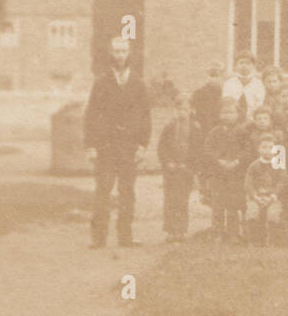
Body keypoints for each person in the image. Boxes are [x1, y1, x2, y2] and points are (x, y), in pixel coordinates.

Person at [83, 37, 151, 249]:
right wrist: (91, 145)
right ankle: (99, 237)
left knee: (127, 192)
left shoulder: (138, 83)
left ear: (129, 53)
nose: (120, 55)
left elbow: (145, 116)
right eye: (116, 51)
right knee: (103, 190)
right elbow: (91, 114)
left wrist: (142, 145)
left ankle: (125, 237)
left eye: (123, 51)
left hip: (129, 147)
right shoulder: (101, 82)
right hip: (106, 146)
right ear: (111, 53)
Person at [202, 97, 249, 242]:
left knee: (233, 204)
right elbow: (208, 149)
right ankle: (217, 232)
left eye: (230, 112)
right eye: (224, 113)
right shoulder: (214, 132)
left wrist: (237, 161)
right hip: (218, 173)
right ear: (219, 114)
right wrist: (219, 160)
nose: (227, 116)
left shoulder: (242, 131)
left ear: (237, 114)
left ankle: (233, 233)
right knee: (218, 204)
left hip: (236, 173)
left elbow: (247, 150)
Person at [156, 92, 198, 244]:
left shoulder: (194, 128)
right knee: (170, 199)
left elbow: (196, 149)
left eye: (185, 109)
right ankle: (170, 231)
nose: (182, 112)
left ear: (191, 110)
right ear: (175, 110)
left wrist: (189, 165)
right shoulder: (169, 128)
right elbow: (162, 148)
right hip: (171, 170)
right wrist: (168, 162)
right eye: (179, 109)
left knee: (182, 200)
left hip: (186, 169)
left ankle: (180, 230)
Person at [244, 134, 288, 246]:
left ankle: (272, 240)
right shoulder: (253, 165)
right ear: (259, 149)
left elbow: (282, 182)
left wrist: (273, 196)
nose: (267, 150)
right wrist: (255, 196)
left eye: (270, 147)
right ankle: (254, 240)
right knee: (252, 212)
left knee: (273, 214)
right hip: (257, 197)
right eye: (264, 147)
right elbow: (248, 183)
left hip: (273, 198)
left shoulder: (279, 165)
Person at [222, 53, 266, 118]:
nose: (244, 66)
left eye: (248, 63)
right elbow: (226, 103)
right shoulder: (229, 83)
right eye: (241, 63)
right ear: (236, 66)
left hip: (252, 119)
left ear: (253, 66)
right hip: (233, 118)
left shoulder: (258, 84)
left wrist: (252, 117)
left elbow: (259, 104)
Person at [190, 61, 226, 136]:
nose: (213, 79)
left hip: (220, 129)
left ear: (222, 77)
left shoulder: (225, 93)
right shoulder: (198, 93)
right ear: (207, 76)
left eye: (217, 76)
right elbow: (192, 111)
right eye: (211, 76)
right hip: (203, 128)